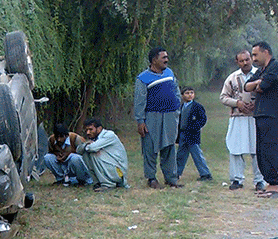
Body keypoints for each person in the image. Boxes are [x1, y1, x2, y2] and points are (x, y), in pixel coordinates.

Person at [134, 47, 182, 188]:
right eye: (163, 57)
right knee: (150, 147)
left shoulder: (169, 73)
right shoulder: (143, 78)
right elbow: (139, 101)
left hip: (170, 116)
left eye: (167, 57)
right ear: (154, 60)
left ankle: (171, 179)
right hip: (152, 117)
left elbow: (176, 90)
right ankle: (151, 179)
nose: (166, 60)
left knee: (169, 147)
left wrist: (176, 109)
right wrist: (140, 121)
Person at [219, 50, 263, 191]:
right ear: (237, 62)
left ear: (251, 59)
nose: (245, 63)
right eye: (242, 61)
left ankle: (259, 180)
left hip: (256, 118)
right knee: (235, 148)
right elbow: (223, 97)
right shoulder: (232, 78)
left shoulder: (261, 74)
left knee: (257, 149)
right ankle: (237, 179)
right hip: (237, 118)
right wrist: (237, 103)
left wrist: (256, 104)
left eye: (247, 59)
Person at [244, 41, 278, 196]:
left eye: (255, 54)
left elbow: (263, 86)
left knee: (270, 148)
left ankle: (273, 183)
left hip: (272, 114)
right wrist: (257, 82)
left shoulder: (276, 67)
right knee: (260, 150)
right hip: (260, 113)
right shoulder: (261, 70)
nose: (253, 58)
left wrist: (258, 84)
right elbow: (247, 86)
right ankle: (268, 182)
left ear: (266, 52)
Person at [77, 118, 129, 190]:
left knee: (94, 154)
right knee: (86, 154)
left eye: (90, 129)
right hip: (110, 169)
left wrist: (88, 146)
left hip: (118, 172)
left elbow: (92, 148)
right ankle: (97, 183)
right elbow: (78, 150)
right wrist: (87, 145)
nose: (88, 132)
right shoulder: (94, 138)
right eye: (86, 130)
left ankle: (108, 184)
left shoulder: (109, 135)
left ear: (99, 128)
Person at [176, 88, 212, 181]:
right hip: (183, 134)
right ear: (182, 95)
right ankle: (176, 173)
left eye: (191, 93)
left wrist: (195, 127)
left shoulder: (197, 107)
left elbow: (202, 119)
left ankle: (205, 174)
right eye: (187, 93)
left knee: (197, 154)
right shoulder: (181, 107)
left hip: (192, 134)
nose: (190, 95)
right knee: (181, 154)